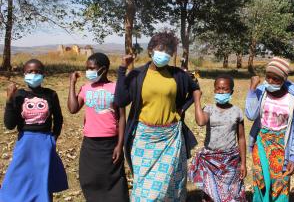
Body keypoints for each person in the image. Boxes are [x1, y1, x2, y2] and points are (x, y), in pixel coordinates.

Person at [114, 31, 200, 201]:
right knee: (145, 190)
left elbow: (195, 89)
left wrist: (183, 108)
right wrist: (122, 70)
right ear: (151, 50)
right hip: (144, 138)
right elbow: (121, 100)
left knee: (170, 185)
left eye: (169, 51)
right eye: (161, 49)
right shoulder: (138, 75)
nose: (164, 54)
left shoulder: (178, 75)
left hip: (171, 138)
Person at [0, 59, 68, 202]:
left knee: (43, 180)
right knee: (18, 177)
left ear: (43, 75)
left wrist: (53, 138)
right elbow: (9, 125)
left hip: (44, 143)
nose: (34, 74)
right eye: (30, 71)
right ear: (24, 74)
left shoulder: (51, 95)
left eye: (38, 72)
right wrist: (9, 100)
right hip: (25, 142)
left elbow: (59, 119)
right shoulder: (18, 95)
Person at [67, 53, 128, 202]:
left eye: (92, 68)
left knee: (114, 181)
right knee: (90, 180)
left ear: (104, 69)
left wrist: (120, 145)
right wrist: (72, 84)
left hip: (110, 144)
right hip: (90, 144)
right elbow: (73, 109)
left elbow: (122, 117)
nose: (89, 71)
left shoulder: (115, 87)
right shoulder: (86, 88)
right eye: (87, 68)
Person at [245, 57, 294, 202]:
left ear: (284, 79)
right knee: (260, 179)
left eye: (276, 79)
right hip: (262, 141)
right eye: (268, 77)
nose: (270, 81)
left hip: (282, 145)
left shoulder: (293, 99)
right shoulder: (261, 91)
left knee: (280, 182)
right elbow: (251, 115)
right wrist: (252, 90)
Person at [189, 74, 247, 202]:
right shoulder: (209, 109)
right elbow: (200, 121)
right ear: (214, 90)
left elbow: (241, 138)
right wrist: (197, 99)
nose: (221, 91)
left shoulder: (237, 111)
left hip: (230, 159)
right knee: (210, 195)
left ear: (231, 91)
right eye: (218, 88)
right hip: (211, 159)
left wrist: (243, 163)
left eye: (225, 89)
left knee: (231, 192)